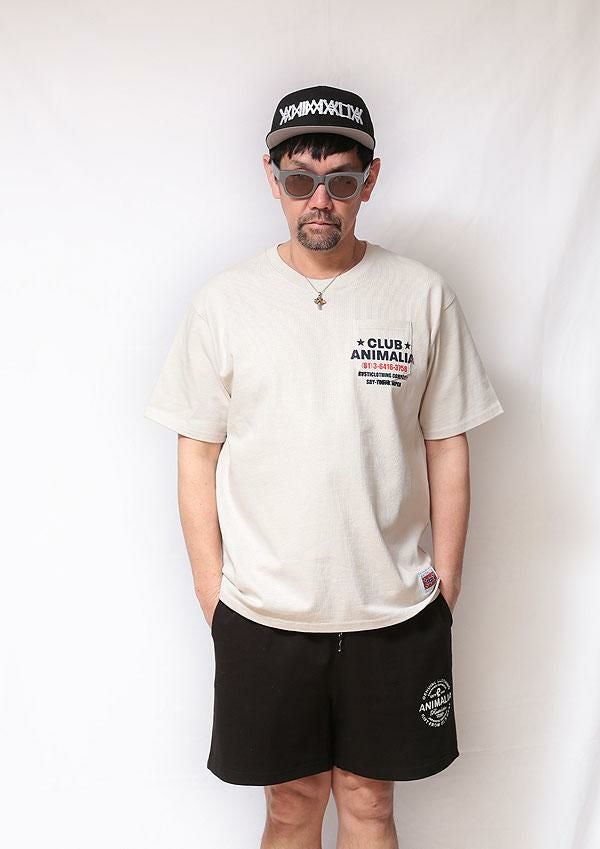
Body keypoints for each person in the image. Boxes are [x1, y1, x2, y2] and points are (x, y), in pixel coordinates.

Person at [144, 83, 504, 849]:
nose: (320, 200)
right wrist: (214, 595)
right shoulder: (225, 303)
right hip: (264, 614)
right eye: (300, 180)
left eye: (341, 182)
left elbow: (447, 442)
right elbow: (197, 450)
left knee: (369, 801)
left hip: (394, 612)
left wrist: (446, 584)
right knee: (291, 803)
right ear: (271, 177)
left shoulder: (421, 296)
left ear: (370, 182)